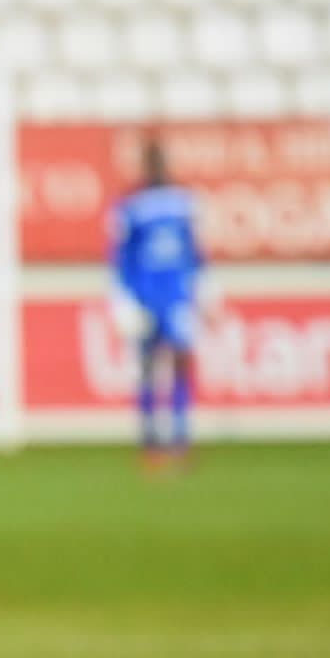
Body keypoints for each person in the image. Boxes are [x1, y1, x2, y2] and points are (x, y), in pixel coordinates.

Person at [108, 141, 205, 465]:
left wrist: (205, 286)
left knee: (179, 361)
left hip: (177, 296)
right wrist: (123, 300)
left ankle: (180, 437)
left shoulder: (183, 203)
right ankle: (150, 440)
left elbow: (194, 250)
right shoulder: (131, 206)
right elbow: (120, 257)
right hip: (146, 297)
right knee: (148, 367)